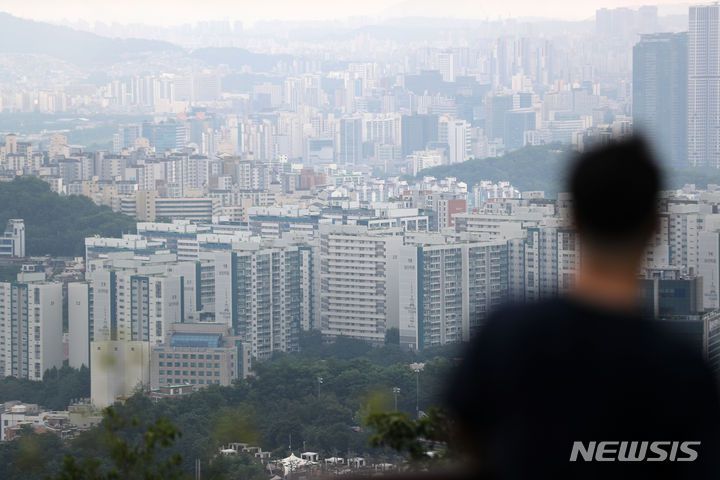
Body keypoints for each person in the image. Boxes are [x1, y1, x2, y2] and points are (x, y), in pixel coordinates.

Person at [445, 138, 720, 479]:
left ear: (572, 219)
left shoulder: (507, 331)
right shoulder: (682, 367)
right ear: (656, 226)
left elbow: (467, 431)